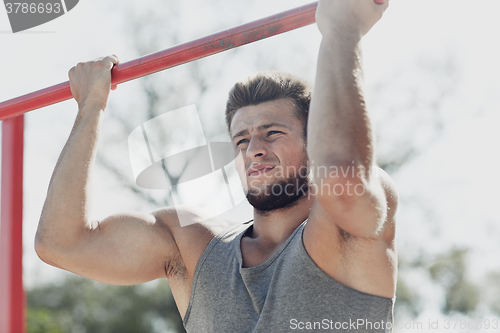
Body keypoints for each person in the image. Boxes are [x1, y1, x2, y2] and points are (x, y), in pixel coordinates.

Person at [35, 0, 397, 332]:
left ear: (313, 142)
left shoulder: (347, 229)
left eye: (272, 132)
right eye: (241, 139)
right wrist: (90, 107)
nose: (254, 149)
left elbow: (341, 177)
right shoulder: (192, 242)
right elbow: (60, 243)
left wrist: (342, 30)